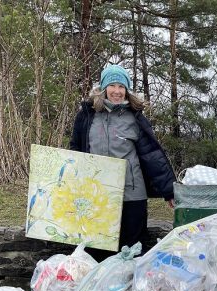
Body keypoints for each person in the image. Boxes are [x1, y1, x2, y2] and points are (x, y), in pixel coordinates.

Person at [70, 64, 175, 261]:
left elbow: (152, 155)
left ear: (126, 90)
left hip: (132, 195)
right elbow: (76, 150)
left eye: (122, 86)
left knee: (132, 252)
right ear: (103, 88)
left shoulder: (134, 118)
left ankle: (131, 290)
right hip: (97, 194)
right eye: (113, 85)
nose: (117, 91)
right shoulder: (86, 115)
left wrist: (169, 191)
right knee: (96, 252)